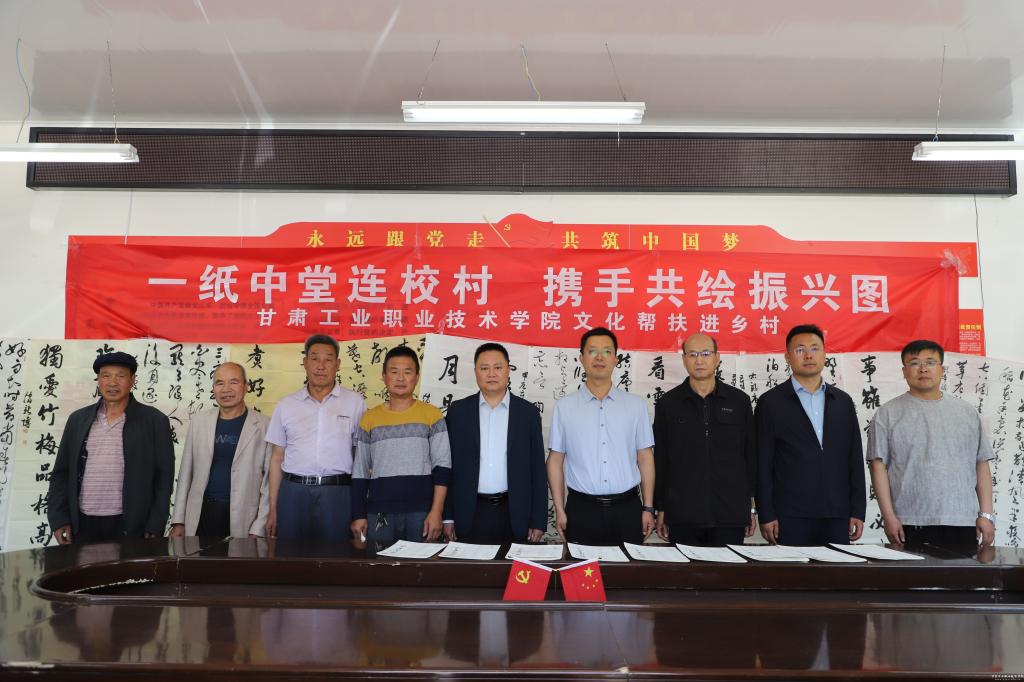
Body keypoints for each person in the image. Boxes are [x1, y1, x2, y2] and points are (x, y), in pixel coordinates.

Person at [867, 339, 996, 549]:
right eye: (914, 363)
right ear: (904, 371)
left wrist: (986, 514)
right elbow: (877, 466)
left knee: (963, 572)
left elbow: (981, 463)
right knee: (911, 572)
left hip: (963, 519)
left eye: (930, 362)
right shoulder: (887, 414)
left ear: (942, 369)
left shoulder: (966, 412)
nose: (923, 369)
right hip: (910, 520)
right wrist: (889, 516)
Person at [46, 351, 174, 544]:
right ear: (98, 380)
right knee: (83, 565)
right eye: (106, 376)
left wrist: (155, 524)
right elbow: (61, 472)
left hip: (131, 523)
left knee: (129, 566)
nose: (112, 383)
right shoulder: (78, 420)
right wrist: (59, 518)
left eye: (120, 376)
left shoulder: (154, 420)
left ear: (132, 380)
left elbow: (164, 477)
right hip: (83, 521)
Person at [756, 324, 866, 546]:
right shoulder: (771, 402)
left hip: (837, 514)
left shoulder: (842, 402)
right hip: (789, 515)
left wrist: (857, 509)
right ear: (787, 356)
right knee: (793, 569)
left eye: (815, 348)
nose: (808, 355)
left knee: (837, 568)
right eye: (800, 349)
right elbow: (762, 463)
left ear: (825, 354)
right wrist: (766, 513)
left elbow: (854, 458)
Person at [547, 327, 656, 546]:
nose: (599, 357)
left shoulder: (635, 406)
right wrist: (559, 508)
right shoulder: (565, 407)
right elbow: (555, 461)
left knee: (628, 567)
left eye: (606, 351)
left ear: (616, 359)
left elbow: (645, 458)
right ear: (581, 358)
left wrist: (648, 507)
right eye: (592, 351)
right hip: (581, 510)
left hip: (627, 509)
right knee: (583, 568)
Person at [654, 333, 756, 546]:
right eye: (692, 354)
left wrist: (752, 508)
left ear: (717, 358)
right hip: (682, 515)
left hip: (730, 515)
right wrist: (661, 508)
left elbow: (750, 457)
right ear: (684, 360)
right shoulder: (668, 404)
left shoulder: (739, 401)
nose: (699, 360)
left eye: (706, 353)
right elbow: (661, 461)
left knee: (729, 569)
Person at [443, 342, 547, 544]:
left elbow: (537, 469)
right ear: (475, 372)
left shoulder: (528, 413)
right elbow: (448, 466)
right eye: (484, 368)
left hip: (515, 514)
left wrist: (538, 520)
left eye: (498, 367)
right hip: (469, 513)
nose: (491, 374)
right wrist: (448, 516)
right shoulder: (458, 412)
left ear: (508, 369)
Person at [265, 335, 367, 541]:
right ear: (305, 363)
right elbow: (277, 458)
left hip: (337, 493)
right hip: (293, 493)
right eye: (314, 359)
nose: (321, 366)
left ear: (338, 364)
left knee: (336, 555)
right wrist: (273, 508)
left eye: (328, 359)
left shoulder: (355, 403)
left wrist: (360, 510)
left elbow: (361, 459)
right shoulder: (286, 405)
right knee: (290, 555)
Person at [351, 346, 451, 545]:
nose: (400, 378)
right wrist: (358, 514)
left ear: (417, 377)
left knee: (420, 564)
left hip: (422, 513)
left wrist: (436, 511)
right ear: (384, 377)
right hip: (379, 511)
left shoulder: (432, 415)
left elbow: (443, 466)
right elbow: (360, 470)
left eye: (407, 372)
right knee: (379, 564)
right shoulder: (369, 418)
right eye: (394, 371)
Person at [169, 362, 272, 538]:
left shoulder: (264, 425)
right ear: (213, 388)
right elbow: (186, 473)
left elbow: (269, 482)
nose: (226, 389)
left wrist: (259, 527)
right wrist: (179, 520)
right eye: (219, 383)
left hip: (243, 515)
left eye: (233, 382)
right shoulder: (199, 421)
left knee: (237, 557)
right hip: (202, 512)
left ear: (246, 386)